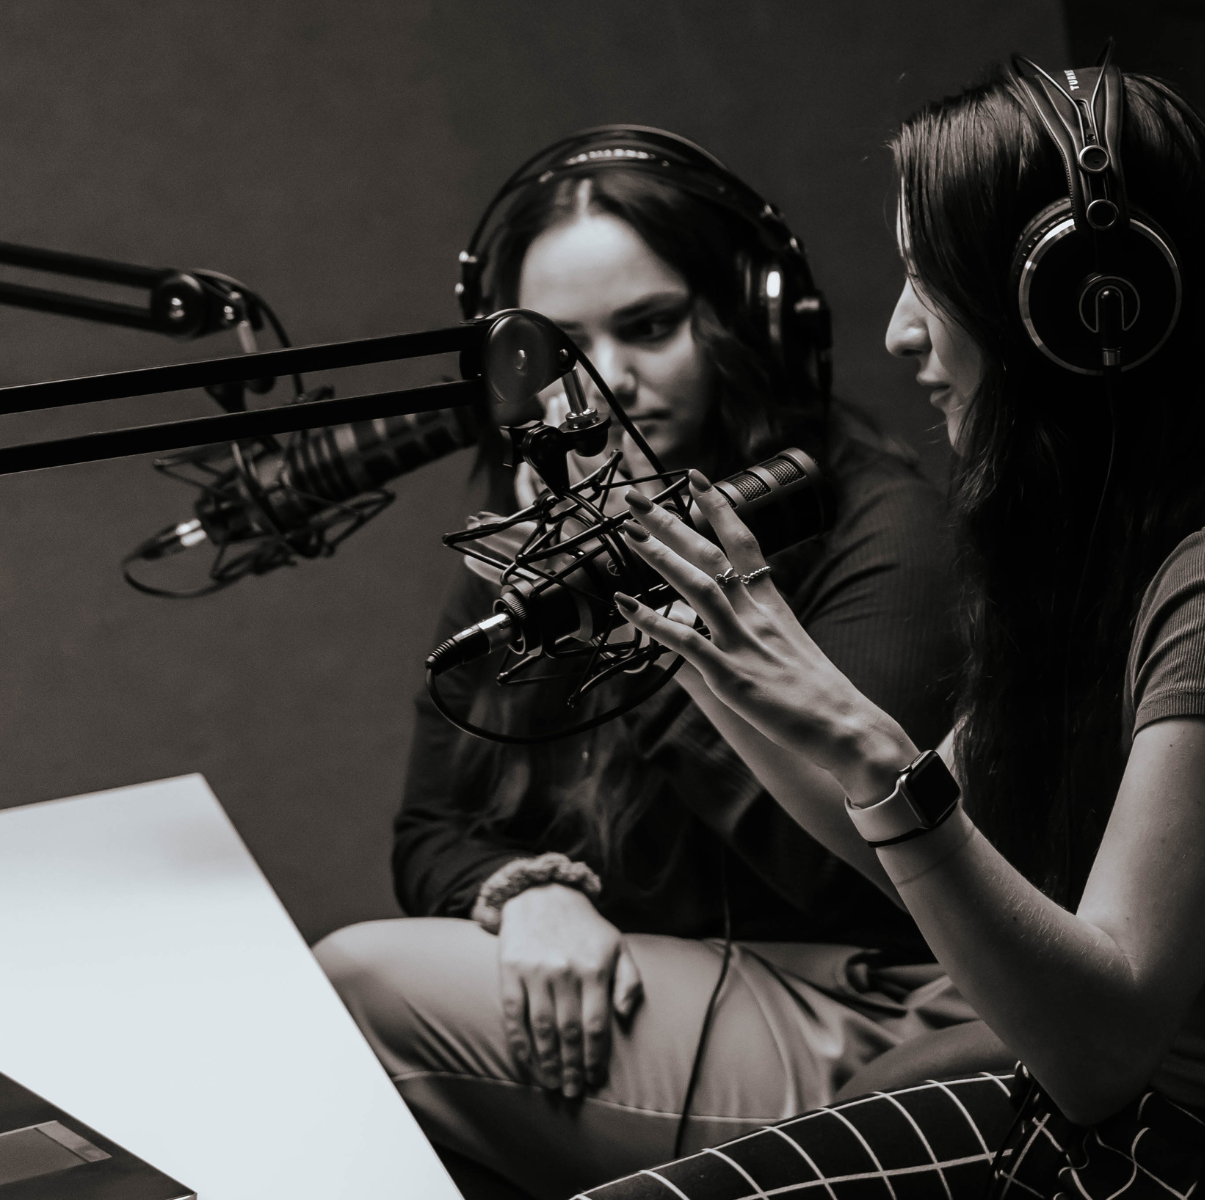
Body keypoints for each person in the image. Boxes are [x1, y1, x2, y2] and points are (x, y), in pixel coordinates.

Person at [594, 55, 1205, 1200]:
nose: (899, 334)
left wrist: (869, 747)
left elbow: (1098, 1049)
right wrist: (712, 641)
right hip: (1134, 1126)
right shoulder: (1111, 548)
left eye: (929, 280)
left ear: (1083, 310)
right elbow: (900, 844)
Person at [314, 128, 971, 1200]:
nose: (602, 384)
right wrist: (527, 894)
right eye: (553, 350)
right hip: (648, 986)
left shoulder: (884, 532)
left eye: (650, 328)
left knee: (358, 984)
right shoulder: (541, 527)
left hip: (863, 1010)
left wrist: (639, 612)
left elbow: (841, 875)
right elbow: (433, 828)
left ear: (745, 323)